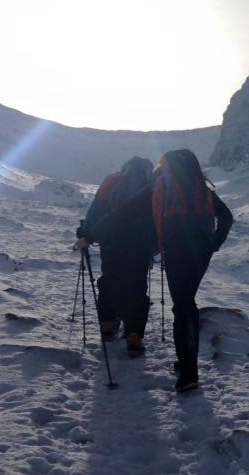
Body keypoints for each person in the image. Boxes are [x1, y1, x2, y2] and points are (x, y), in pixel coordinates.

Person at [75, 149, 232, 392]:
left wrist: (91, 235)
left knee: (182, 306)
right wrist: (214, 243)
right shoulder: (203, 189)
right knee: (186, 302)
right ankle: (186, 365)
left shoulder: (160, 186)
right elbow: (227, 217)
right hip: (201, 252)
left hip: (176, 248)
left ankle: (189, 374)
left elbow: (121, 213)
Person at [77, 156, 154, 354]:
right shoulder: (151, 184)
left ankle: (107, 325)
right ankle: (134, 337)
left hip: (111, 241)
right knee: (137, 286)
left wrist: (87, 232)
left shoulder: (112, 181)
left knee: (109, 279)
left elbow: (96, 209)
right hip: (141, 244)